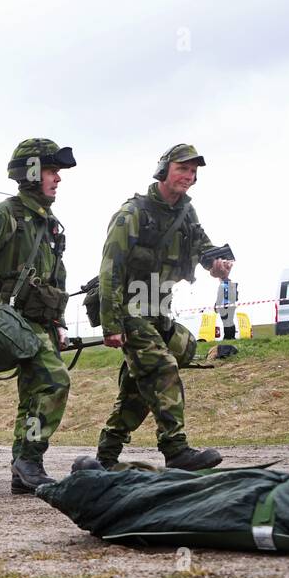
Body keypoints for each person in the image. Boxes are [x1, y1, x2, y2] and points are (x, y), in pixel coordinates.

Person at [95, 144, 233, 471]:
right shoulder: (133, 213)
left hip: (160, 310)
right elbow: (109, 269)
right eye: (182, 168)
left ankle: (105, 455)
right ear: (164, 170)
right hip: (130, 309)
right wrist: (111, 325)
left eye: (193, 172)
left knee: (139, 384)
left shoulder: (187, 213)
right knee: (161, 367)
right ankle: (176, 449)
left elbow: (203, 249)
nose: (188, 176)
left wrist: (217, 267)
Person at [0, 138, 77, 493]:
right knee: (55, 382)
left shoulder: (50, 223)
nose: (58, 179)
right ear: (34, 172)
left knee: (33, 395)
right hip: (12, 319)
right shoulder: (6, 213)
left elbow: (58, 276)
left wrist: (61, 322)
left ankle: (21, 470)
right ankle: (30, 459)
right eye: (52, 171)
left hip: (43, 322)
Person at [215, 277, 239, 341]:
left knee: (225, 322)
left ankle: (227, 337)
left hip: (224, 306)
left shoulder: (222, 285)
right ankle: (232, 336)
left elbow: (219, 296)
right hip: (232, 305)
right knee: (231, 321)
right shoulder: (231, 284)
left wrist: (216, 306)